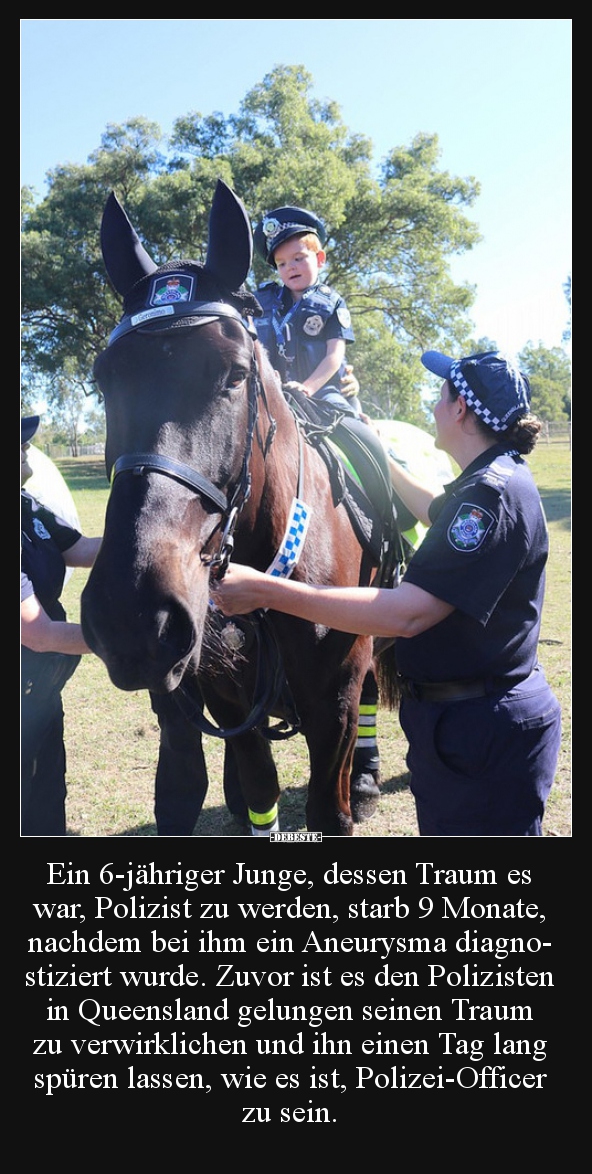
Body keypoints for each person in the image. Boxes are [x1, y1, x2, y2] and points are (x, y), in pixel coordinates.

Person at [211, 349, 562, 837]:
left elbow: (405, 615)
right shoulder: (486, 481)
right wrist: (377, 451)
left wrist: (268, 590)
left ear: (460, 409)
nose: (434, 405)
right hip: (463, 722)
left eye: (441, 394)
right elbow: (432, 511)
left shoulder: (490, 498)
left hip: (481, 731)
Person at [21, 416, 102, 835]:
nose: (26, 446)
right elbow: (37, 633)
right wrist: (111, 640)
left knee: (48, 793)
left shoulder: (27, 504)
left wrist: (147, 538)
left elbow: (81, 548)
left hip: (40, 689)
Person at [253, 204, 362, 416]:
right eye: (281, 264)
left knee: (355, 429)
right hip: (270, 395)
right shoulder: (261, 303)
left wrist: (308, 388)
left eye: (298, 258)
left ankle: (378, 450)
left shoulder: (332, 303)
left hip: (323, 392)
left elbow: (334, 355)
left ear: (320, 259)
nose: (290, 267)